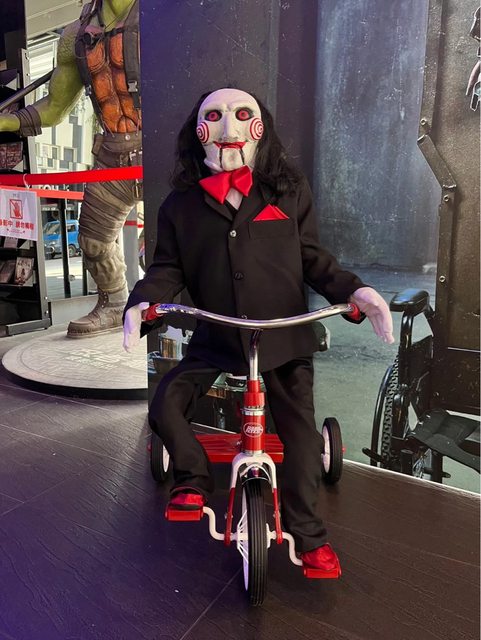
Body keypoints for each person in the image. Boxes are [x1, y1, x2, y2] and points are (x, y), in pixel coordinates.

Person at [123, 88, 394, 573]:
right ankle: (192, 477)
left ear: (260, 126)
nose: (228, 128)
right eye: (214, 115)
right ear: (198, 130)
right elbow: (168, 268)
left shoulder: (288, 191)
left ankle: (308, 536)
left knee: (301, 435)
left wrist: (356, 291)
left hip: (284, 337)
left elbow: (312, 257)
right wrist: (142, 302)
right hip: (217, 335)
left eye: (241, 114)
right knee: (165, 404)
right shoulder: (180, 206)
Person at [0, 0, 141, 338]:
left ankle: (201, 318)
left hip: (165, 150)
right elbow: (54, 107)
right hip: (112, 154)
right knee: (93, 241)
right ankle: (114, 304)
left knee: (182, 242)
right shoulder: (75, 35)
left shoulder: (160, 15)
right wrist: (6, 122)